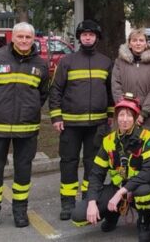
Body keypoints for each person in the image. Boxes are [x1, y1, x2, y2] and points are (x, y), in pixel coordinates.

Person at [0, 22, 49, 232]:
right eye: (20, 37)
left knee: (23, 172)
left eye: (28, 37)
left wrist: (31, 110)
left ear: (33, 39)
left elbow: (42, 94)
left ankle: (20, 212)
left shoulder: (41, 64)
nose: (24, 41)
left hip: (27, 128)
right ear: (12, 38)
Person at [49, 19, 113, 220]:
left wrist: (110, 115)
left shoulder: (105, 62)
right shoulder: (67, 62)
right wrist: (56, 117)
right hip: (70, 124)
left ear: (97, 38)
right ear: (79, 37)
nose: (87, 37)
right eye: (84, 34)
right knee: (68, 162)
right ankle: (67, 203)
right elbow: (56, 90)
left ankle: (88, 199)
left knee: (92, 163)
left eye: (91, 34)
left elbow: (110, 92)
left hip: (97, 124)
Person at [71, 95, 150, 241]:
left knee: (145, 192)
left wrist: (122, 192)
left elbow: (149, 172)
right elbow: (96, 174)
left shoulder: (148, 138)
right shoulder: (108, 141)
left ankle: (144, 222)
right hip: (117, 187)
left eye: (129, 115)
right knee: (78, 216)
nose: (124, 119)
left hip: (137, 188)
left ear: (136, 117)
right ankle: (113, 215)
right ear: (117, 117)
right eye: (121, 115)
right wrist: (92, 202)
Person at [112, 28, 150, 134]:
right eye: (134, 40)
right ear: (129, 43)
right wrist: (128, 111)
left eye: (141, 40)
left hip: (149, 117)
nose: (138, 43)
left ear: (146, 44)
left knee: (148, 148)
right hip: (125, 116)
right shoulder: (119, 62)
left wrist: (143, 113)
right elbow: (116, 86)